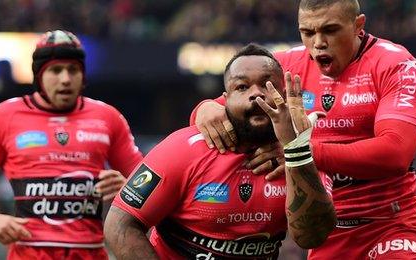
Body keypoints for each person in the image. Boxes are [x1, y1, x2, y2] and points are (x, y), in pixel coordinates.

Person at [191, 0, 416, 259]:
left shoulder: (396, 65)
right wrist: (205, 108)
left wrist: (299, 154)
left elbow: (395, 153)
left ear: (358, 26)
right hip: (325, 231)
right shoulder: (285, 67)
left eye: (330, 30)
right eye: (308, 32)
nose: (318, 42)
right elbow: (225, 109)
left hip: (390, 225)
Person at [103, 44, 335, 259]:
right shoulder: (182, 149)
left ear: (284, 95)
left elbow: (312, 237)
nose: (256, 94)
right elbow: (119, 224)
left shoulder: (303, 154)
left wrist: (296, 153)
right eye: (242, 87)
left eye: (267, 84)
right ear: (225, 100)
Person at [0, 30, 143, 259]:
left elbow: (147, 184)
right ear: (38, 76)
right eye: (56, 70)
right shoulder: (3, 117)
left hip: (89, 254)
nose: (65, 78)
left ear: (83, 75)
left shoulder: (108, 118)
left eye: (73, 70)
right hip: (29, 254)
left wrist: (128, 190)